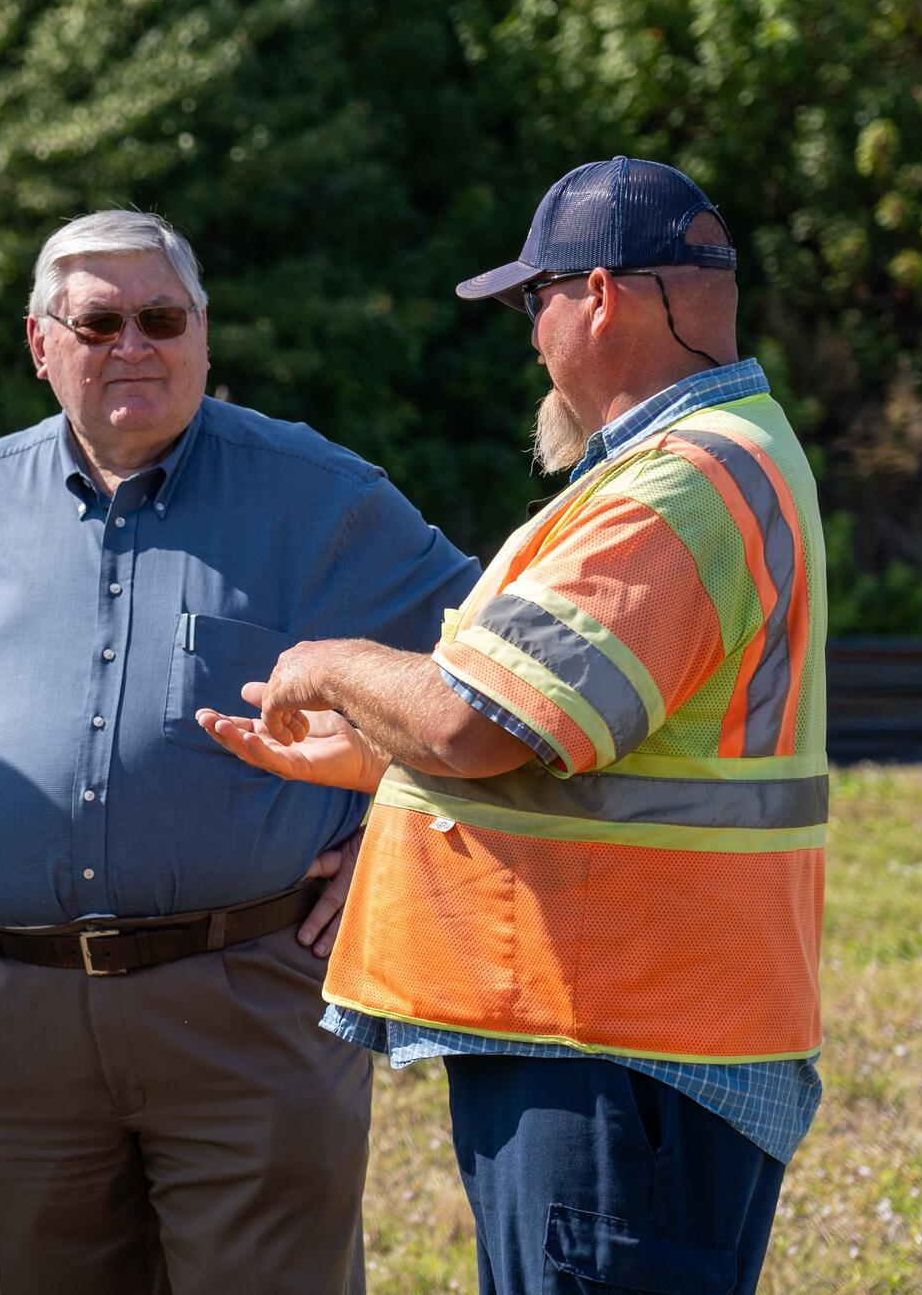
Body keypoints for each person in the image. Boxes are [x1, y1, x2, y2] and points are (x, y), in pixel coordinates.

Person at [0, 209, 478, 1293]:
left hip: (248, 1001)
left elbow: (487, 667)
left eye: (162, 318)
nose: (135, 345)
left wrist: (400, 825)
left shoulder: (321, 498)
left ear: (203, 336)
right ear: (41, 345)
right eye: (100, 322)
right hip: (9, 1017)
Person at [200, 157, 827, 1294]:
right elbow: (567, 743)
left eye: (531, 301)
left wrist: (331, 664)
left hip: (615, 1051)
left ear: (596, 297)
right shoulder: (702, 464)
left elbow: (470, 724)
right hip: (623, 1039)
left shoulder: (676, 485)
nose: (528, 333)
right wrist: (380, 766)